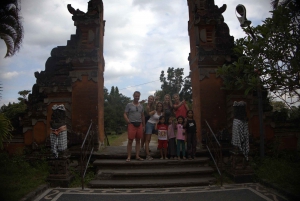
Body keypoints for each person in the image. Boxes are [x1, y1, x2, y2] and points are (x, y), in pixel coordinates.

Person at [124, 91, 145, 162]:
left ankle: (137, 155)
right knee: (130, 140)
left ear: (139, 96)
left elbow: (142, 115)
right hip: (132, 124)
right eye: (136, 96)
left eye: (138, 96)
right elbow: (125, 113)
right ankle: (129, 156)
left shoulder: (141, 105)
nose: (137, 97)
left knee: (138, 140)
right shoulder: (129, 105)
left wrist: (143, 125)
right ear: (133, 96)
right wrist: (127, 120)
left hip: (139, 124)